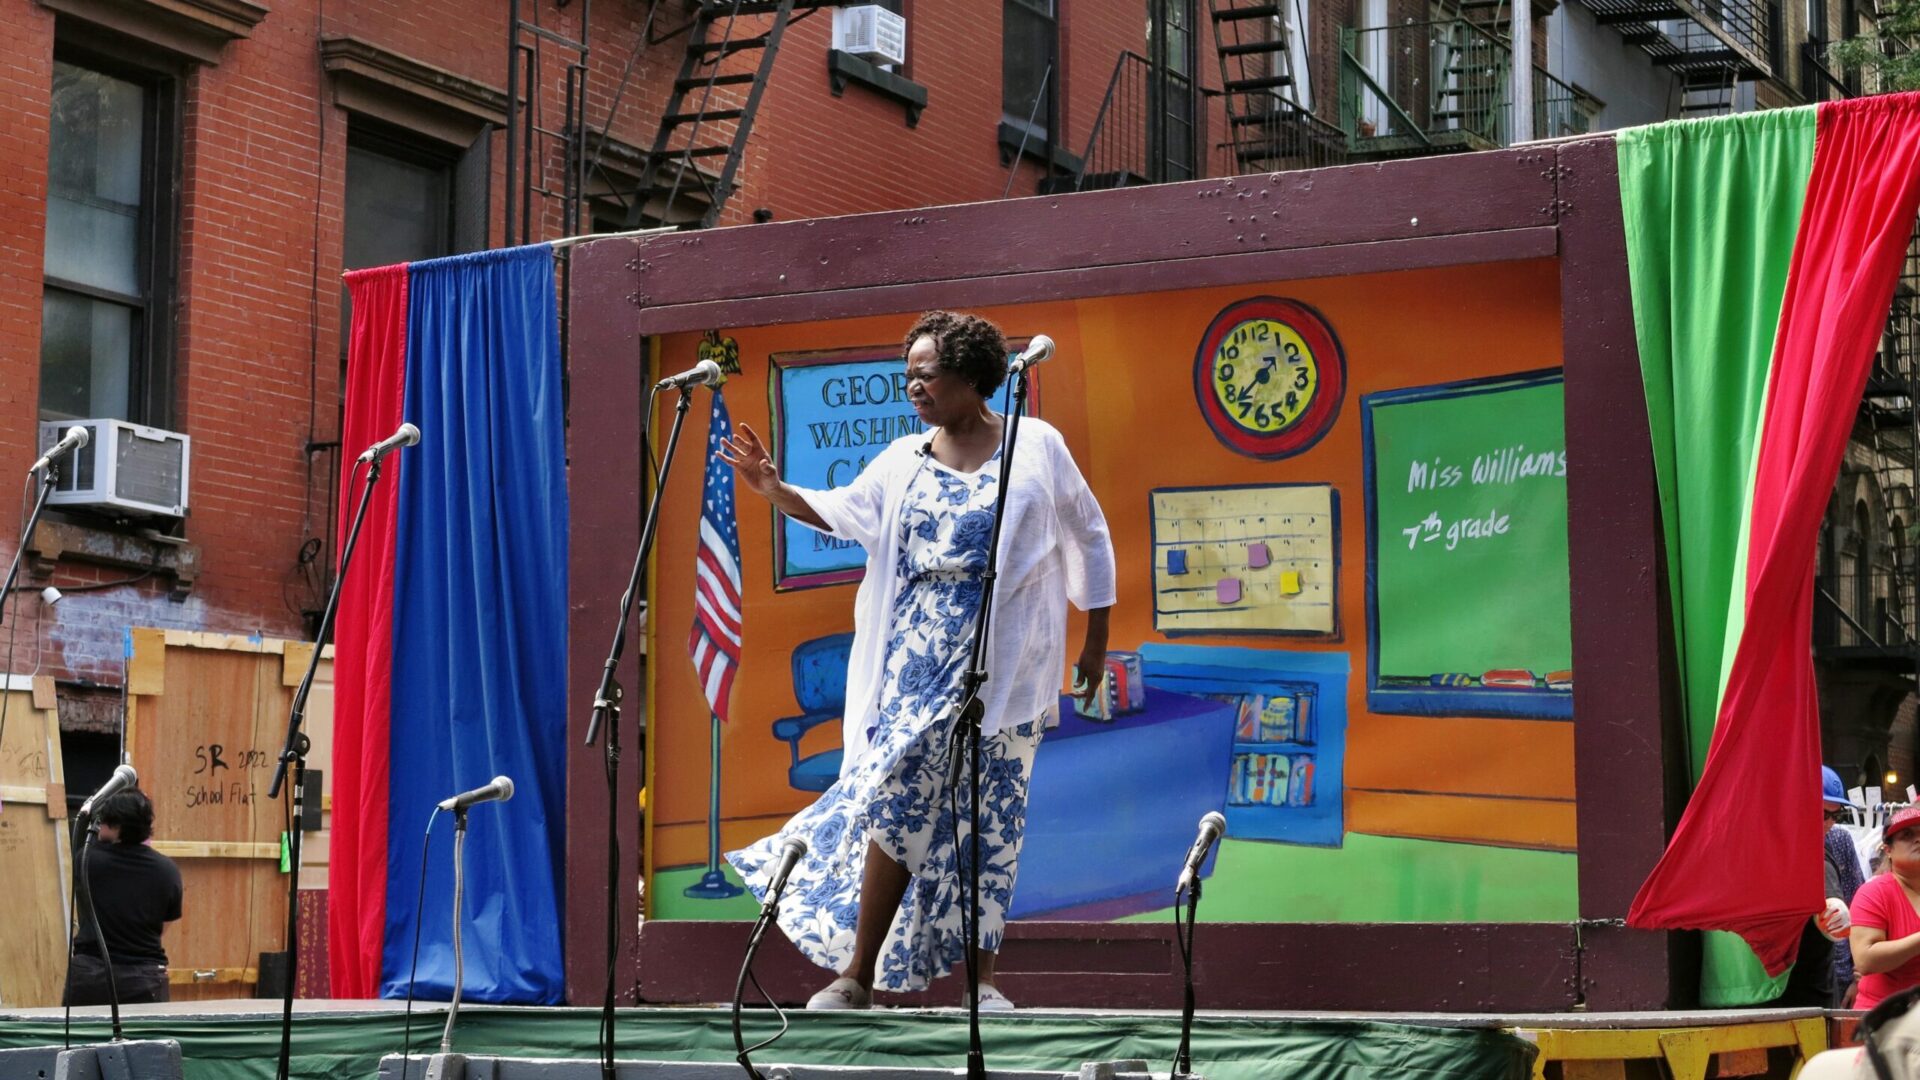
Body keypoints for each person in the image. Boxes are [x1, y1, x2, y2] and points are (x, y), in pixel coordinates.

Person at [720, 311, 1116, 1012]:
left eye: (926, 373)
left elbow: (1089, 532)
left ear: (971, 376)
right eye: (908, 375)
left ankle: (982, 984)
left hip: (1009, 662)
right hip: (916, 658)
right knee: (897, 799)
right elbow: (845, 511)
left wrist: (1094, 640)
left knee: (990, 816)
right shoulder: (903, 459)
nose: (913, 387)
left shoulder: (1037, 445)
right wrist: (775, 490)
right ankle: (856, 975)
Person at [64, 787, 183, 1006]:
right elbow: (163, 926)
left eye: (104, 822)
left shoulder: (87, 860)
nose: (99, 827)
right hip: (144, 980)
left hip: (91, 976)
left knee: (83, 1040)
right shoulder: (167, 869)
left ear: (117, 826)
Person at [1848, 805, 1920, 1011]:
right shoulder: (1874, 892)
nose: (1917, 839)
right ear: (1888, 850)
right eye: (1907, 835)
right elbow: (1865, 959)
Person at [1826, 765, 1870, 1006]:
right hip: (1795, 976)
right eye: (1824, 814)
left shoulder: (1840, 838)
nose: (1831, 822)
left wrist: (1857, 979)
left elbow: (1857, 907)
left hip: (1841, 972)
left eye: (1836, 814)